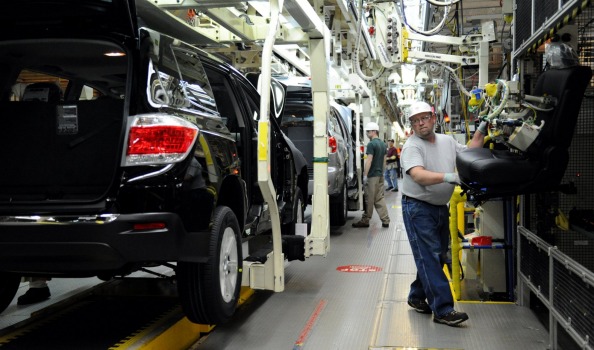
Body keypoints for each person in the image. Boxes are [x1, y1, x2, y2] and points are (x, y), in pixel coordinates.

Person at [401, 101, 486, 327]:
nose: (420, 124)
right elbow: (418, 175)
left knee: (435, 256)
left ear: (433, 118)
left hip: (440, 207)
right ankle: (443, 309)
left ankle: (417, 296)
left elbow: (471, 152)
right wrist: (449, 177)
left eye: (424, 118)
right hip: (418, 208)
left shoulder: (447, 141)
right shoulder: (412, 147)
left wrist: (482, 128)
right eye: (415, 121)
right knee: (429, 256)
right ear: (411, 125)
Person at [352, 122, 390, 228]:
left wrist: (365, 175)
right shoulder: (383, 144)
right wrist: (382, 172)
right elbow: (384, 160)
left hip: (372, 175)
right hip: (380, 175)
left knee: (369, 198)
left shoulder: (371, 144)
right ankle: (385, 219)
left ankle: (365, 220)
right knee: (379, 197)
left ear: (374, 131)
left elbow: (369, 161)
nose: (367, 134)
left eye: (368, 131)